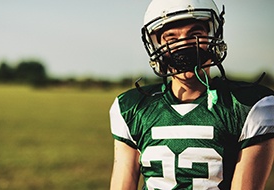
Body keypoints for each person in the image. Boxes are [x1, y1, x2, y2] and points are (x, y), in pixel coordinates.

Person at [109, 0, 274, 189]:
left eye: (195, 34)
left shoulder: (248, 106)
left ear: (213, 36)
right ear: (156, 45)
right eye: (171, 38)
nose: (184, 46)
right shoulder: (133, 107)